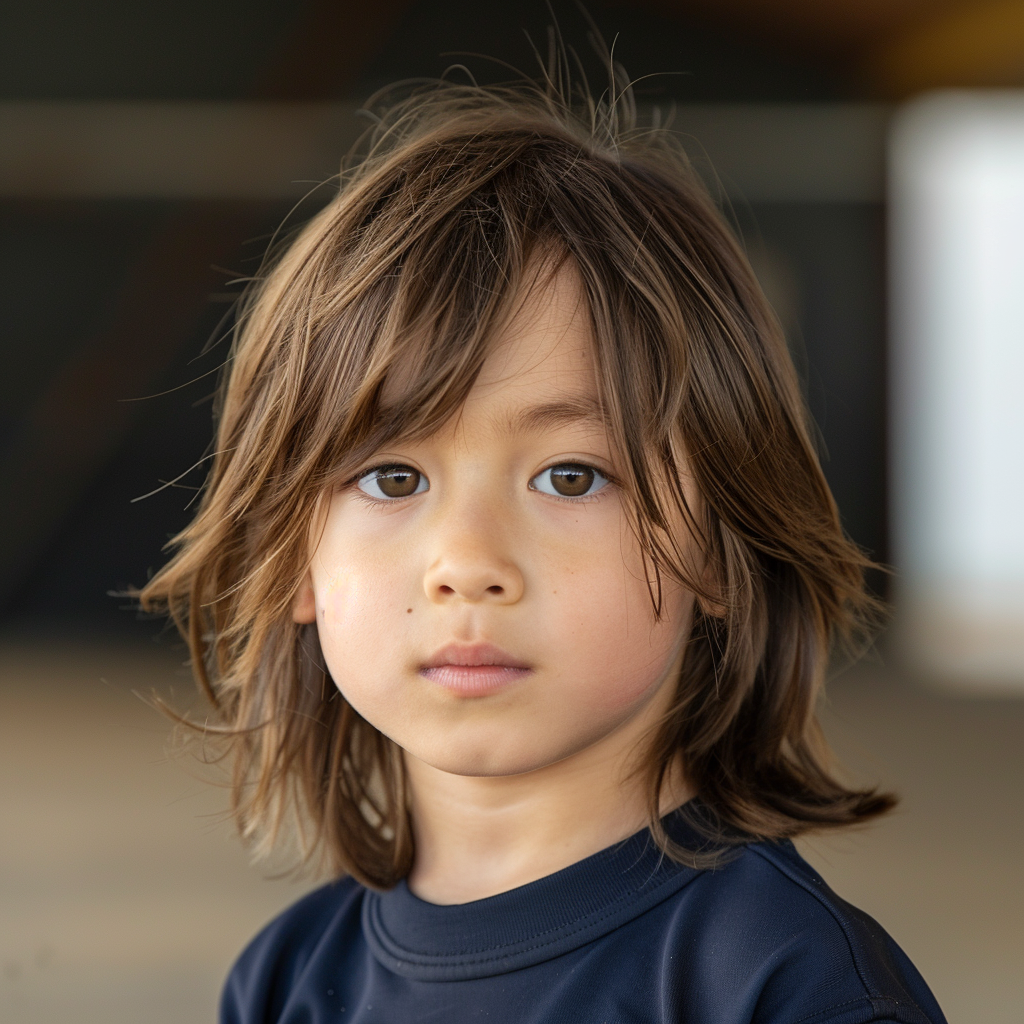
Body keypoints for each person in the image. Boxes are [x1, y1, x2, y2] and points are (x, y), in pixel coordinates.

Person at [140, 60, 947, 1024]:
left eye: (571, 476)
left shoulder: (792, 985)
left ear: (722, 544)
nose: (468, 564)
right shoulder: (283, 982)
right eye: (393, 478)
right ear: (292, 559)